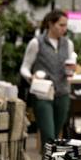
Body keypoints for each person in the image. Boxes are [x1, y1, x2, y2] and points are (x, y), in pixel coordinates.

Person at [20, 10, 75, 151]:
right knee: (48, 134)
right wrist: (30, 77)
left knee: (55, 136)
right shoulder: (36, 43)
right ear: (50, 24)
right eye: (61, 25)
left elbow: (69, 67)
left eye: (65, 25)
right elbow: (25, 67)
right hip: (42, 94)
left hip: (62, 93)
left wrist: (71, 70)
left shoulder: (68, 44)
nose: (64, 28)